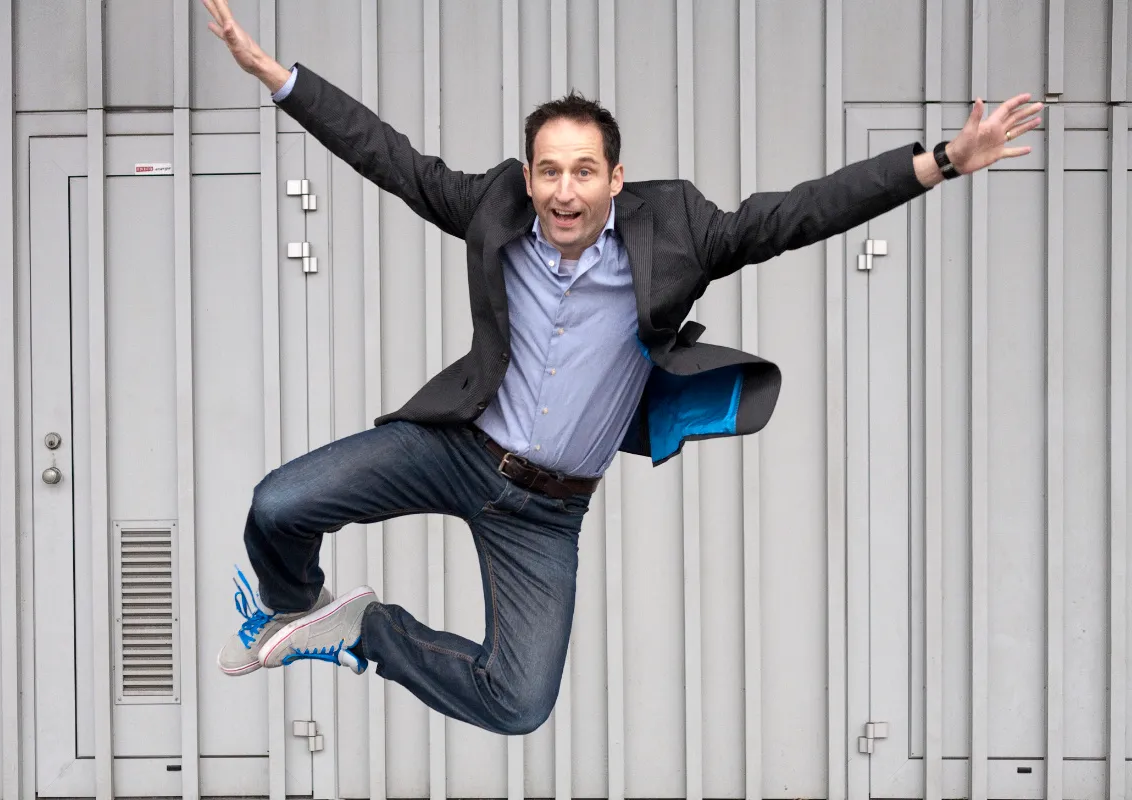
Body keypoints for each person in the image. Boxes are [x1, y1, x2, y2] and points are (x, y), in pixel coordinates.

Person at [203, 0, 1040, 736]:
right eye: (548, 171)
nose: (564, 191)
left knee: (518, 702)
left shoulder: (679, 233)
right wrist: (280, 77)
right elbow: (389, 157)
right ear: (528, 177)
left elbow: (798, 213)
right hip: (456, 446)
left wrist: (942, 160)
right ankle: (300, 609)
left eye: (583, 171)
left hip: (545, 510)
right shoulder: (492, 208)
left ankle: (366, 635)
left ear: (615, 176)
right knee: (277, 505)